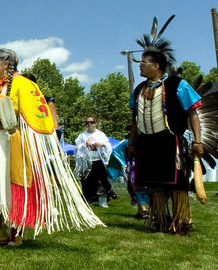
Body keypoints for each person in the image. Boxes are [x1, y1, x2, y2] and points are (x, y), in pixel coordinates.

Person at [0, 48, 104, 246]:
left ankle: (16, 235)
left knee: (12, 188)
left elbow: (39, 117)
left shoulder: (23, 84)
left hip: (10, 143)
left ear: (6, 64)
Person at [128, 16, 203, 235]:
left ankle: (180, 221)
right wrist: (133, 143)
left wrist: (197, 141)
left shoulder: (178, 85)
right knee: (154, 184)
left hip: (171, 141)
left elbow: (193, 112)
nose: (140, 66)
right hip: (147, 142)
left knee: (177, 184)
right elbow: (134, 120)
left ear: (157, 66)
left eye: (144, 63)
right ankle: (160, 219)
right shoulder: (139, 89)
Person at [74, 116, 116, 207]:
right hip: (86, 162)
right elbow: (76, 147)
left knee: (102, 180)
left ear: (95, 123)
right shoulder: (82, 136)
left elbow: (108, 145)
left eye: (91, 122)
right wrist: (85, 144)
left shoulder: (100, 134)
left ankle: (103, 200)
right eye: (87, 122)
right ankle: (88, 199)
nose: (89, 124)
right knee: (86, 181)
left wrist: (102, 144)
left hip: (99, 160)